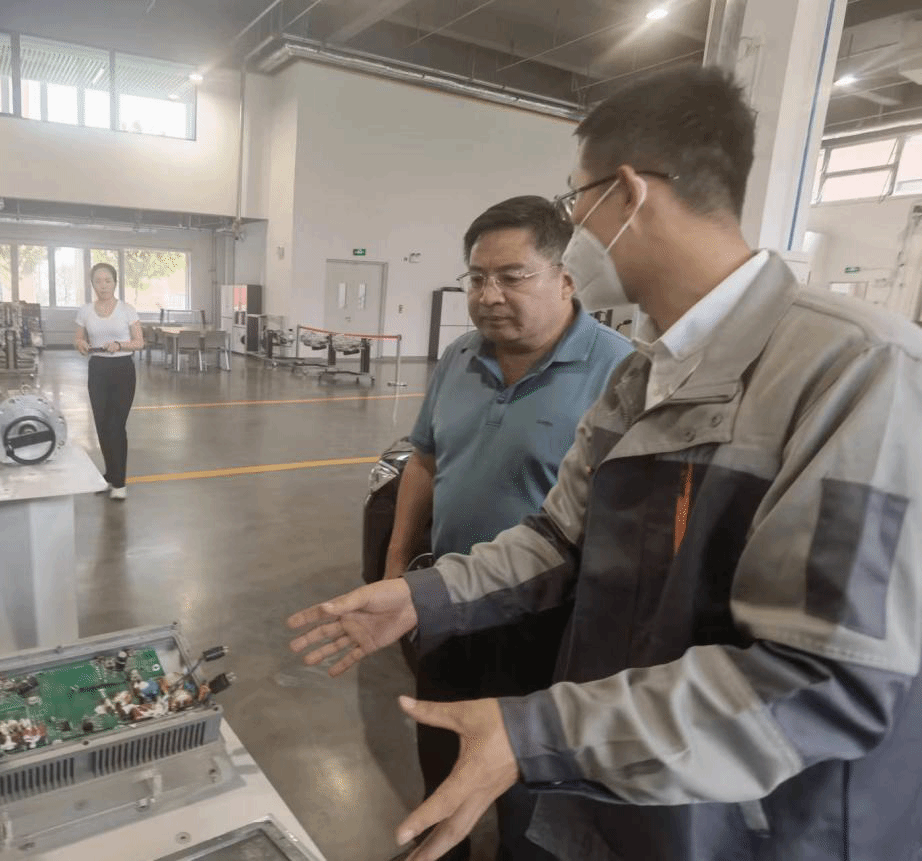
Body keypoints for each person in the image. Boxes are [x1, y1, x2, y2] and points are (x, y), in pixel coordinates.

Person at [288, 65, 922, 861]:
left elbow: (827, 677)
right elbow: (558, 540)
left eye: (573, 200)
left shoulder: (856, 372)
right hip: (626, 794)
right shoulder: (645, 377)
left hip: (756, 827)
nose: (572, 226)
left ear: (627, 193)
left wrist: (539, 731)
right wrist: (423, 594)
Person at [386, 196, 631, 861]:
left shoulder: (622, 374)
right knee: (440, 759)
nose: (488, 295)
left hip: (549, 629)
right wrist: (397, 567)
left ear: (565, 278)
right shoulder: (460, 356)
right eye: (476, 278)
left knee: (531, 797)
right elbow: (424, 461)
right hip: (447, 606)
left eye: (512, 276)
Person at [74, 263, 144, 499]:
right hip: (97, 369)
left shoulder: (127, 310)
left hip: (122, 369)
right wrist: (81, 344)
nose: (103, 286)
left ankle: (120, 483)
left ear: (115, 283)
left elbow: (139, 342)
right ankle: (110, 475)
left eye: (107, 281)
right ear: (92, 284)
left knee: (116, 425)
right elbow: (78, 339)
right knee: (102, 425)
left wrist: (119, 345)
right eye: (98, 281)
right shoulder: (85, 311)